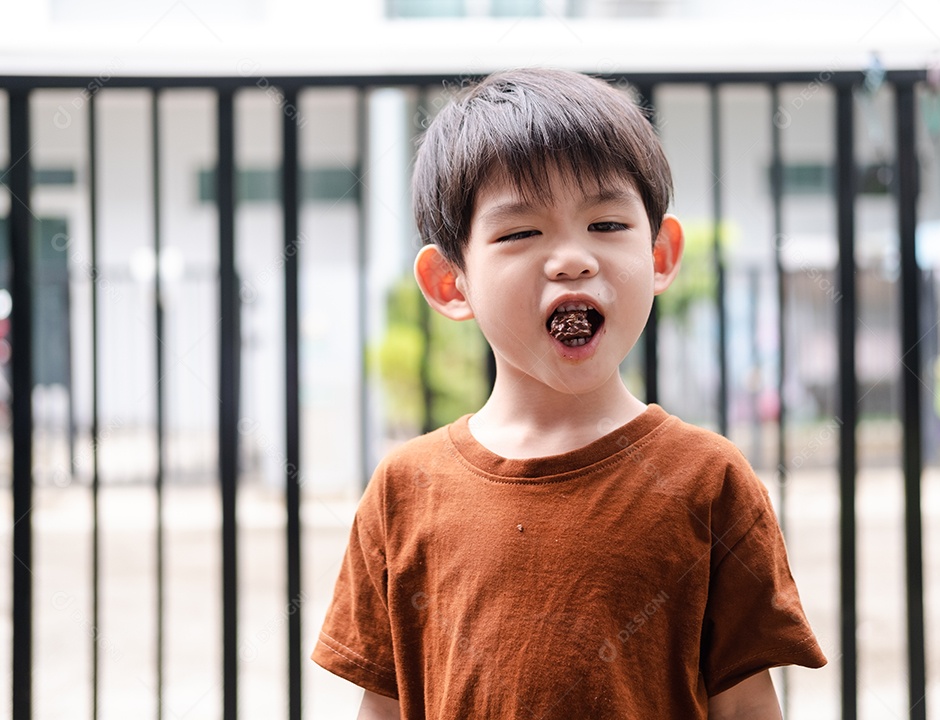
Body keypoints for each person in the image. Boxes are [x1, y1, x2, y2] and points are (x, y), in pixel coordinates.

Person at [312, 68, 826, 720]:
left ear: (662, 254)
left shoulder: (710, 483)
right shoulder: (404, 490)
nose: (572, 259)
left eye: (607, 224)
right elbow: (382, 707)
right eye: (521, 233)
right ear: (450, 282)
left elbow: (747, 707)